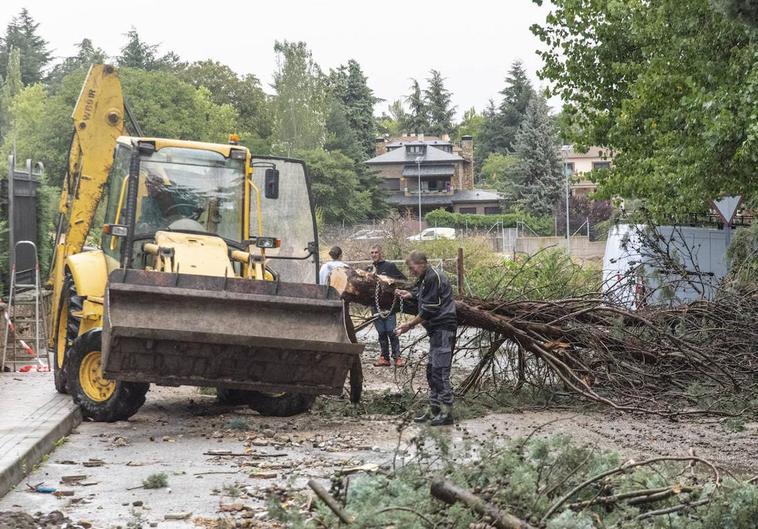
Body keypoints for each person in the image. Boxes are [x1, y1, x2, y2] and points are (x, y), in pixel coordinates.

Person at [395, 251, 457, 426]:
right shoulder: (425, 278)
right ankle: (434, 410)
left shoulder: (433, 277)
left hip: (443, 329)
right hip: (435, 330)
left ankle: (446, 413)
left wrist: (409, 324)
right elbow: (420, 292)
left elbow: (430, 309)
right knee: (431, 370)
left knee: (440, 371)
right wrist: (410, 294)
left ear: (421, 263)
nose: (411, 271)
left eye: (411, 267)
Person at [366, 245, 407, 367]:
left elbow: (403, 280)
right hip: (375, 306)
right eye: (372, 252)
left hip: (389, 306)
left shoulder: (390, 266)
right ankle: (384, 357)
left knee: (391, 331)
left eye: (376, 252)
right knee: (381, 332)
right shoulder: (369, 269)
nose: (374, 254)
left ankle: (397, 357)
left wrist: (391, 282)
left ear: (381, 253)